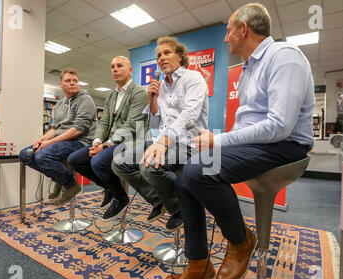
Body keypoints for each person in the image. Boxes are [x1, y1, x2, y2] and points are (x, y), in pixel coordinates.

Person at [165, 3, 314, 279]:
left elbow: (279, 126)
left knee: (198, 169)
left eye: (228, 31)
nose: (225, 38)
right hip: (263, 143)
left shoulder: (284, 57)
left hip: (287, 145)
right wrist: (216, 145)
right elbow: (247, 125)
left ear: (243, 29)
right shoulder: (248, 68)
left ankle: (241, 241)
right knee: (185, 180)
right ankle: (198, 265)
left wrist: (217, 142)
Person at [112, 36, 209, 232]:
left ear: (180, 57)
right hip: (163, 141)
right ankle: (161, 201)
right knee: (120, 162)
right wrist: (152, 100)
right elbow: (156, 123)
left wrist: (163, 144)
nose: (161, 58)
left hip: (189, 143)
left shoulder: (194, 78)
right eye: (158, 55)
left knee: (149, 166)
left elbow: (189, 115)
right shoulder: (161, 86)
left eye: (167, 53)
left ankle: (182, 208)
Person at [68, 56, 153, 220]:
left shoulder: (139, 93)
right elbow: (104, 122)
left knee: (98, 161)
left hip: (131, 141)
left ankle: (120, 197)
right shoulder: (110, 96)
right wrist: (97, 141)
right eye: (112, 66)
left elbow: (131, 125)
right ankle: (109, 187)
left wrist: (106, 145)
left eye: (119, 66)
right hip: (109, 141)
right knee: (75, 159)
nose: (115, 69)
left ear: (130, 70)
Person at [19, 67, 97, 205]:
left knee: (43, 155)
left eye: (75, 81)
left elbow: (78, 130)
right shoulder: (59, 104)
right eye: (68, 80)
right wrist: (41, 139)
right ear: (61, 84)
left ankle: (71, 185)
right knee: (25, 154)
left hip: (80, 141)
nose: (72, 83)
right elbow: (55, 128)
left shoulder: (86, 100)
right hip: (61, 142)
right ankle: (60, 179)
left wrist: (49, 143)